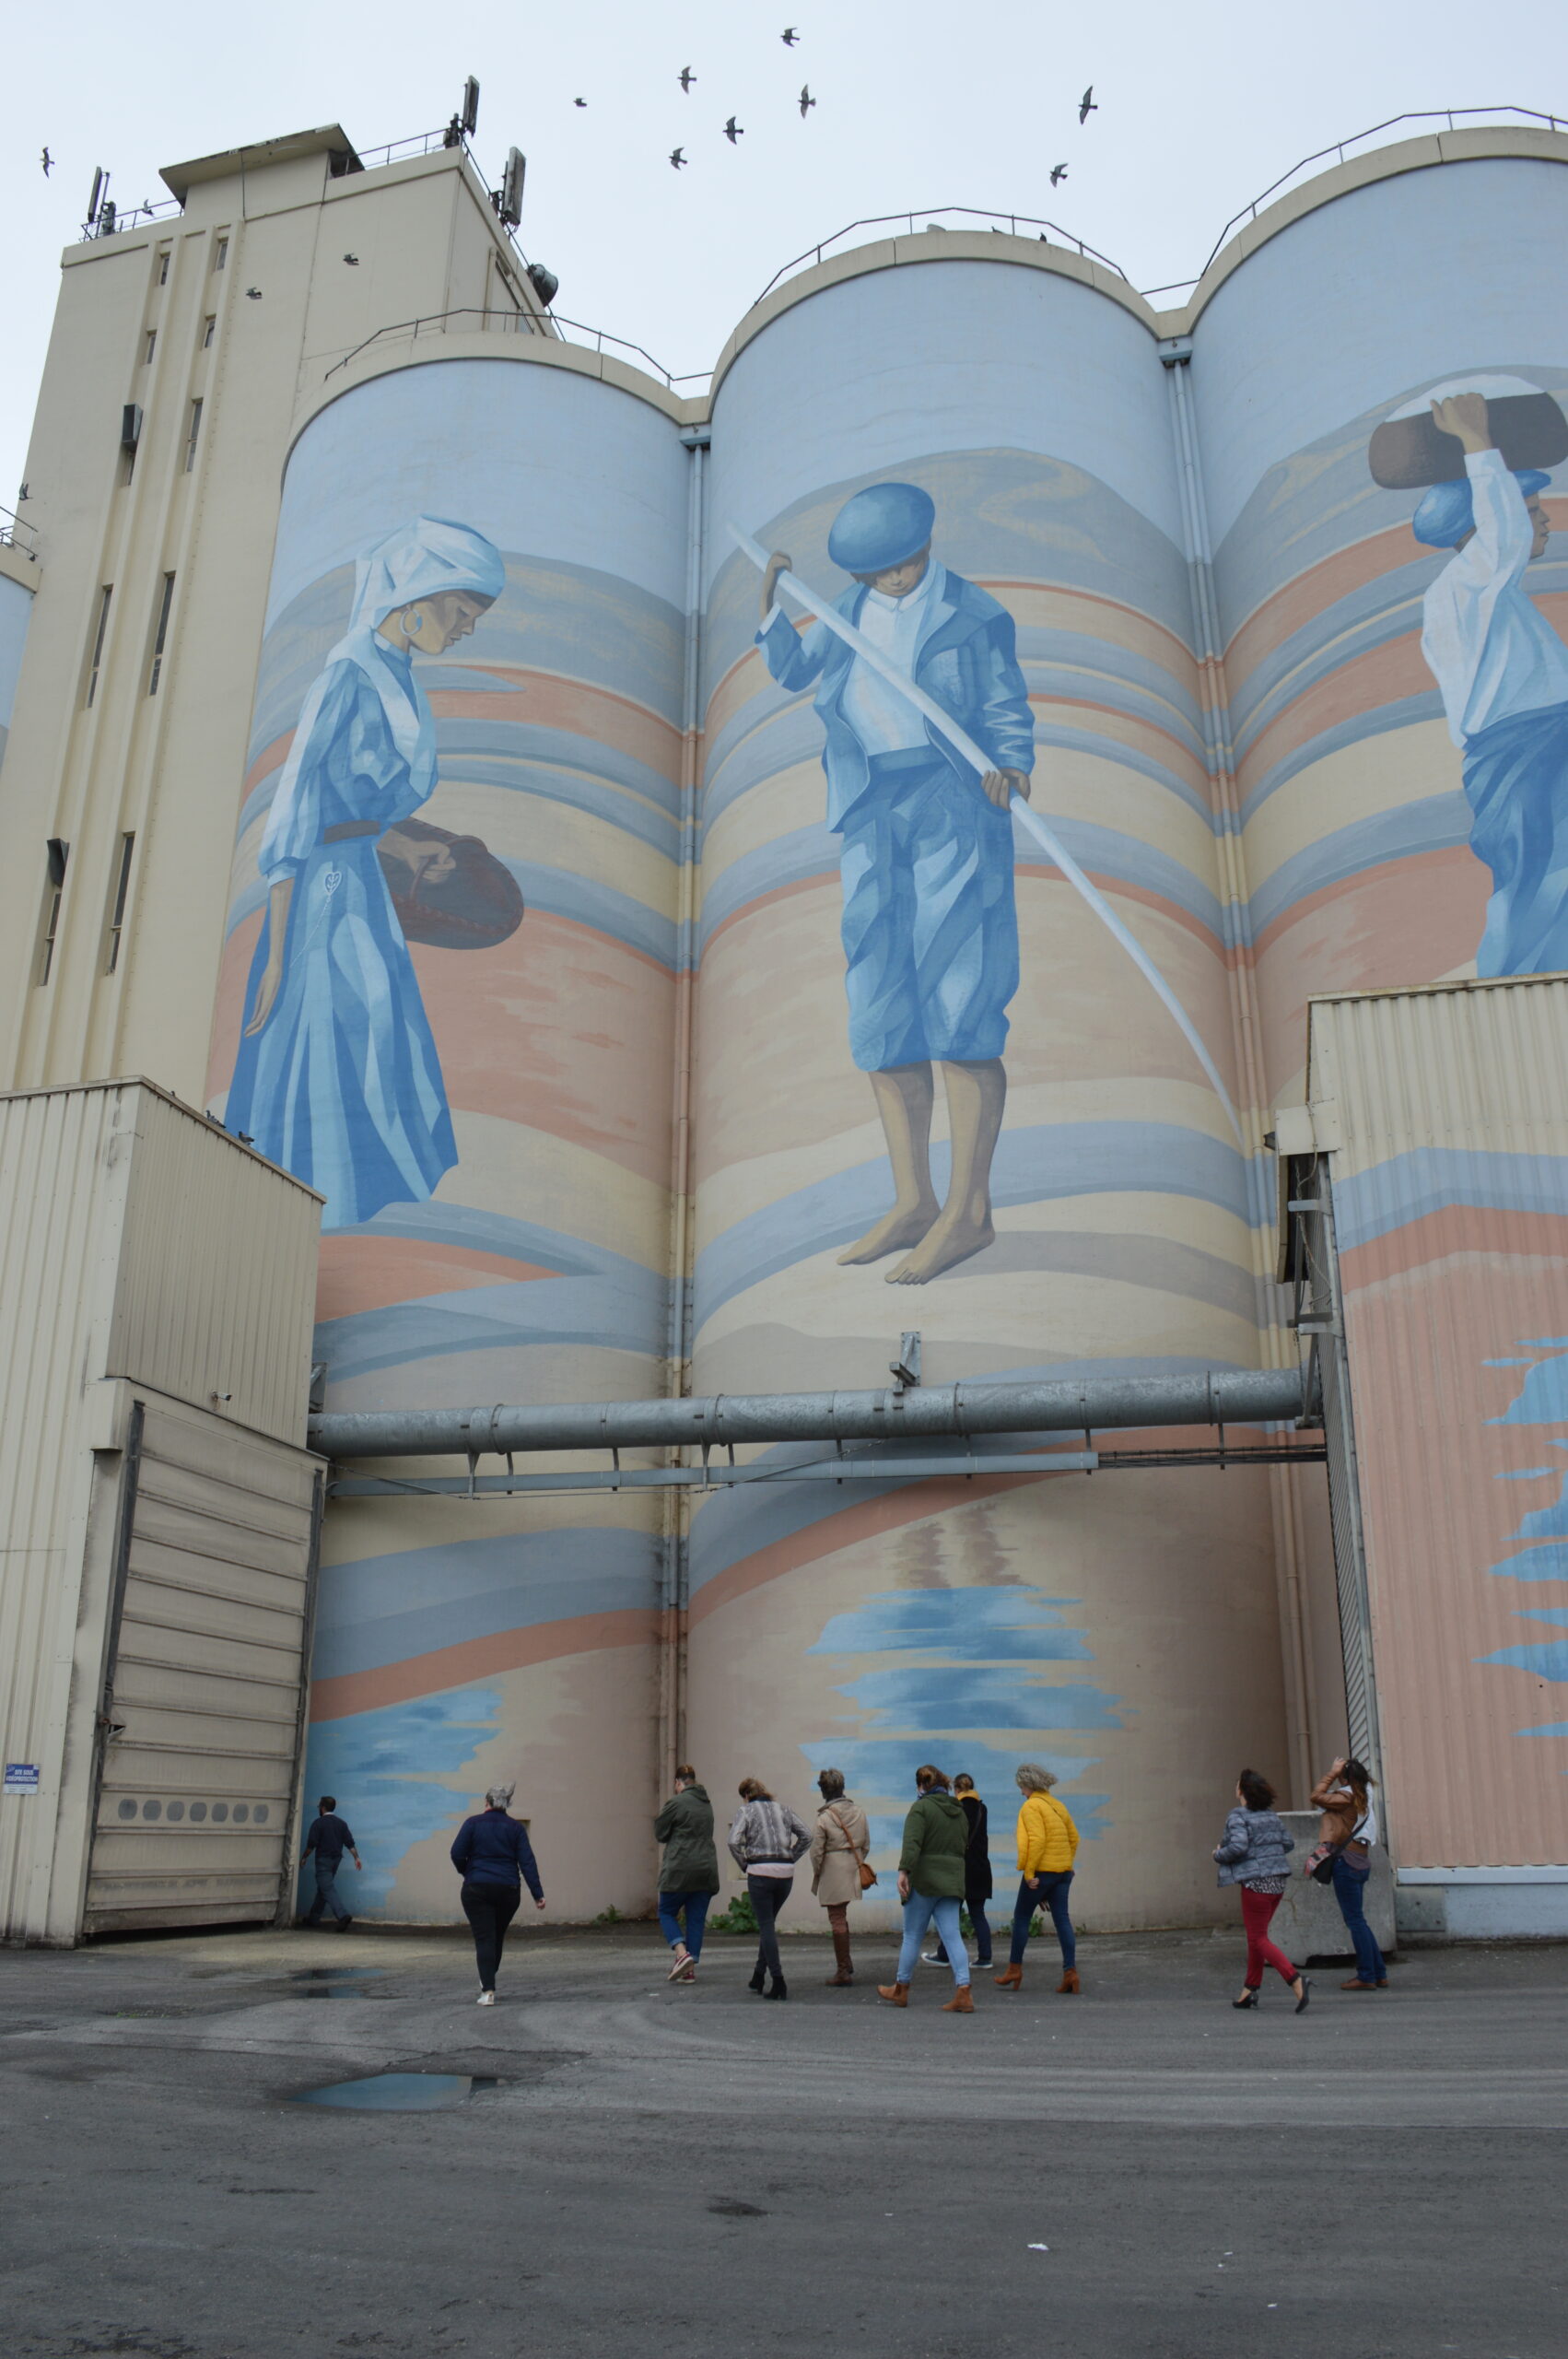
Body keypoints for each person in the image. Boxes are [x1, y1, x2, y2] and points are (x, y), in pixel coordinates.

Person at [756, 481, 1036, 1284]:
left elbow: (1004, 701)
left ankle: (970, 1212)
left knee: (961, 996)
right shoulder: (841, 609)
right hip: (871, 806)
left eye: (902, 567)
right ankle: (913, 1200)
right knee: (881, 1002)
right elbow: (793, 672)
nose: (893, 583)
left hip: (953, 803)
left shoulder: (975, 614)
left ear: (924, 549)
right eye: (879, 573)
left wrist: (1012, 762)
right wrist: (771, 605)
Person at [225, 515, 507, 1227]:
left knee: (380, 1023)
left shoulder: (398, 678)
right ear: (415, 598)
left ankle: (373, 1186)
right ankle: (320, 1197)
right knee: (337, 1020)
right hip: (320, 888)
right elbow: (296, 806)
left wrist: (408, 852)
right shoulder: (347, 677)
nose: (468, 626)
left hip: (359, 877)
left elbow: (368, 809)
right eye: (461, 610)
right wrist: (275, 951)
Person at [1413, 390, 1567, 975]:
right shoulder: (1468, 584)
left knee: (1554, 878)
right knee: (1531, 878)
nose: (1546, 519)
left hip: (1543, 743)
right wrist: (1478, 442)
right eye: (1532, 509)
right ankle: (1514, 987)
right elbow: (1500, 535)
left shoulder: (1488, 599)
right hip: (1521, 753)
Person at [1212, 1768, 1310, 2012]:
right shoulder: (1270, 1816)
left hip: (1256, 1883)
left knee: (1258, 1938)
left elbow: (1238, 1846)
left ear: (1241, 1791)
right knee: (1256, 1937)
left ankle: (1295, 1979)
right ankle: (1249, 1990)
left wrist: (1218, 1855)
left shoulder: (1238, 1816)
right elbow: (1288, 1843)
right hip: (1277, 1883)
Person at [878, 1765, 974, 2012]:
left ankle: (901, 1989)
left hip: (924, 1880)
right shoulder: (959, 1810)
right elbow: (964, 1844)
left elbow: (912, 1843)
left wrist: (903, 1871)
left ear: (921, 1786)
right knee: (952, 1935)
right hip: (952, 1881)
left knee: (912, 1936)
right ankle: (964, 1992)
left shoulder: (920, 1808)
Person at [449, 1779, 544, 2005]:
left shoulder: (472, 1824)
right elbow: (527, 1862)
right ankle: (488, 1980)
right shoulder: (516, 1828)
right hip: (508, 1890)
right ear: (506, 1805)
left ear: (487, 1802)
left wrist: (467, 1871)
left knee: (484, 1938)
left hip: (477, 1888)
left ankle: (488, 1990)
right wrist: (537, 1893)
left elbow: (456, 1853)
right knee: (496, 1937)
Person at [994, 1762, 1080, 1992]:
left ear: (1028, 1784)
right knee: (1062, 1919)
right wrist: (1067, 1864)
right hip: (1062, 1873)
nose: (1021, 1791)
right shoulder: (1057, 1805)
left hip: (1041, 1872)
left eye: (1021, 1787)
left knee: (1022, 1917)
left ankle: (1014, 1969)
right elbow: (1074, 1838)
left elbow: (1037, 1841)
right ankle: (1070, 1973)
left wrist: (1030, 1874)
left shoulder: (1031, 1807)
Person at [728, 1776, 812, 2001]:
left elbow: (733, 1841)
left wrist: (745, 1864)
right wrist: (790, 1857)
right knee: (768, 1924)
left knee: (766, 1926)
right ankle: (758, 1975)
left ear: (746, 1796)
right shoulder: (784, 1809)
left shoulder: (745, 1812)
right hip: (785, 1875)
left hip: (760, 1872)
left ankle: (778, 1981)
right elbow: (807, 1835)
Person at [1309, 1755, 1387, 1991]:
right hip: (1360, 1861)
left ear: (1344, 1778)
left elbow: (1315, 1796)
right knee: (1359, 1920)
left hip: (1346, 1863)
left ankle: (1366, 1975)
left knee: (1355, 1921)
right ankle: (1378, 1973)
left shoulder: (1345, 1796)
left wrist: (1331, 1773)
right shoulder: (1364, 1794)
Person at [653, 1764, 720, 1983]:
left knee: (666, 1911)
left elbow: (660, 1833)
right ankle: (689, 1970)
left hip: (680, 1869)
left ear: (678, 1782)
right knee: (695, 1918)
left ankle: (682, 1954)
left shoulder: (675, 1803)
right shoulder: (707, 1804)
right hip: (706, 1869)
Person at [923, 1769, 993, 1971]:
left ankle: (944, 1955)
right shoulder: (982, 1809)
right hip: (981, 1868)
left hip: (962, 1869)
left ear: (956, 1789)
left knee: (950, 1913)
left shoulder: (956, 1808)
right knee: (978, 1914)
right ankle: (985, 1957)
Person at [808, 1766, 872, 1986]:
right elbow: (866, 1844)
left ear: (824, 1791)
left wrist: (819, 1871)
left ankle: (843, 1971)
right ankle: (846, 1961)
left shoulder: (824, 1818)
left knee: (837, 1920)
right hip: (853, 1867)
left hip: (832, 1870)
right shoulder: (859, 1812)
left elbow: (816, 1851)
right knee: (842, 1917)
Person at [300, 1793, 361, 1930]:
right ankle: (313, 1918)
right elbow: (350, 1844)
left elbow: (311, 1845)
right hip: (336, 1860)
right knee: (324, 1888)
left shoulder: (318, 1823)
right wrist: (356, 1858)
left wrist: (304, 1857)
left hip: (323, 1860)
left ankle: (342, 1915)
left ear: (322, 1808)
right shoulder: (341, 1824)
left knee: (327, 1888)